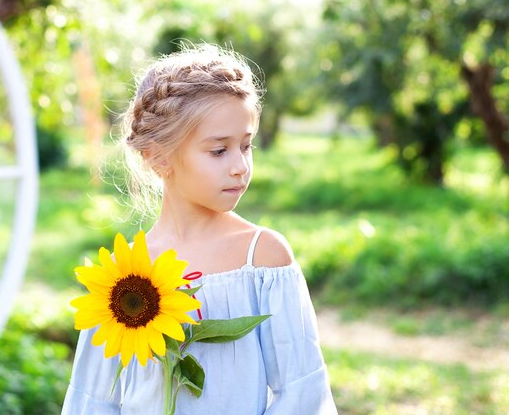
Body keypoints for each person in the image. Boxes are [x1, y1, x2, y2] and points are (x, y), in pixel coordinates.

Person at [62, 44, 338, 415]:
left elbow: (303, 392)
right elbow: (91, 400)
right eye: (218, 151)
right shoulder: (121, 277)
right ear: (158, 157)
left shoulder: (261, 259)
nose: (240, 166)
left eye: (246, 145)